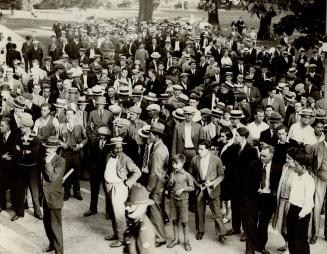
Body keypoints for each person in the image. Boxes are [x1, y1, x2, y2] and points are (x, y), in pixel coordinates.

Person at [104, 136, 141, 248]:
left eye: (120, 148)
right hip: (109, 187)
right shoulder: (109, 156)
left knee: (119, 214)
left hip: (119, 188)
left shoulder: (125, 158)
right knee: (112, 212)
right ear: (111, 148)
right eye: (116, 148)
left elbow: (137, 172)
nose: (119, 150)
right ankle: (116, 234)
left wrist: (127, 183)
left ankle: (122, 239)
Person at [190, 140, 227, 243]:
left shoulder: (216, 159)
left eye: (201, 149)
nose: (199, 151)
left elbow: (221, 175)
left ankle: (221, 234)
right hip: (200, 188)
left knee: (217, 212)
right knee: (199, 211)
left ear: (208, 149)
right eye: (198, 148)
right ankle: (200, 231)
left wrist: (212, 183)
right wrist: (197, 185)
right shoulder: (194, 159)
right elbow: (190, 174)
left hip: (213, 188)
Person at [12, 112, 42, 221]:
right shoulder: (18, 137)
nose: (21, 128)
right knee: (20, 191)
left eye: (23, 127)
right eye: (21, 126)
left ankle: (37, 212)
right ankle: (20, 213)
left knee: (34, 192)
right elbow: (14, 150)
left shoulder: (35, 138)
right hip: (21, 168)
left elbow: (34, 154)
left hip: (32, 169)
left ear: (29, 127)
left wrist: (21, 152)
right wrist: (25, 152)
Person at [41, 136, 65, 254]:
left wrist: (48, 163)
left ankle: (59, 251)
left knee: (56, 226)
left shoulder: (60, 161)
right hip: (45, 197)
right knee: (47, 224)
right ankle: (52, 244)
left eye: (50, 148)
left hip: (54, 197)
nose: (47, 149)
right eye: (46, 147)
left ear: (55, 148)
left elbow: (53, 177)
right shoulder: (44, 158)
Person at [287, 151, 315, 254]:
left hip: (301, 213)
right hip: (292, 209)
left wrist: (301, 215)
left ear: (303, 167)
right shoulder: (295, 175)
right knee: (292, 240)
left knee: (300, 242)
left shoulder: (309, 180)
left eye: (296, 164)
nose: (294, 165)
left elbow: (309, 202)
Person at [146, 123, 169, 247]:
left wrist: (149, 188)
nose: (149, 135)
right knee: (158, 210)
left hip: (156, 185)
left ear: (156, 136)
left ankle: (160, 237)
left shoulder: (157, 151)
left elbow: (154, 173)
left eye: (150, 134)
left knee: (155, 212)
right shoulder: (163, 147)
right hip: (161, 184)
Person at [272, 147, 298, 251]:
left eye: (289, 158)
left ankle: (292, 248)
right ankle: (287, 244)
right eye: (286, 158)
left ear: (295, 159)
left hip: (291, 203)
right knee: (281, 226)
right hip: (282, 200)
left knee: (290, 227)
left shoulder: (298, 171)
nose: (286, 160)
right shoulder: (285, 166)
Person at [167, 154, 194, 251]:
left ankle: (186, 241)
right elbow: (169, 188)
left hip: (183, 200)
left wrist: (183, 189)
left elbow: (192, 187)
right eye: (173, 163)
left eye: (176, 163)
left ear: (182, 163)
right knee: (174, 220)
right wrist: (169, 184)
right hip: (173, 199)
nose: (174, 165)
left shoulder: (187, 175)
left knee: (184, 221)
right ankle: (176, 239)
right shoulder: (172, 174)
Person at [306, 125, 327, 244]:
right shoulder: (316, 147)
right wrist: (311, 174)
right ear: (325, 134)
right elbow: (309, 162)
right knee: (316, 207)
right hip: (319, 179)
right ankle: (314, 234)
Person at [84, 126, 111, 218]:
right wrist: (91, 168)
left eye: (104, 135)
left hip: (106, 172)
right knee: (94, 191)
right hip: (95, 172)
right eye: (101, 135)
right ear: (98, 135)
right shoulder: (93, 144)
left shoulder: (110, 145)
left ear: (107, 136)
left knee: (108, 192)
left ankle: (108, 211)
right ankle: (92, 209)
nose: (102, 137)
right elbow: (88, 157)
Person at [124, 184, 156, 254]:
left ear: (140, 207)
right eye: (127, 205)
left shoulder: (144, 231)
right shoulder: (134, 222)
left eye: (130, 205)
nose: (126, 208)